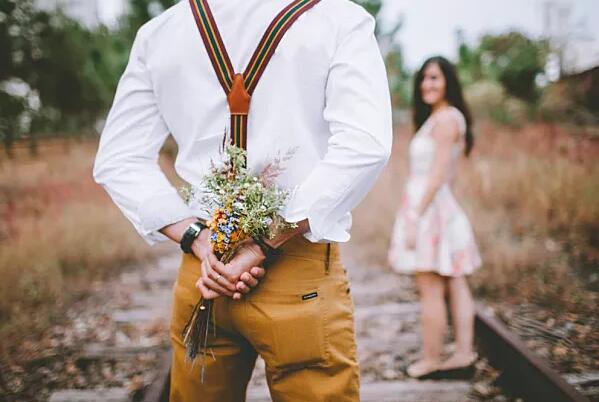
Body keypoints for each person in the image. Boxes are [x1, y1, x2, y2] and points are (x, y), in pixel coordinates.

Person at [93, 0, 392, 400]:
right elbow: (365, 146)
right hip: (297, 268)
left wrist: (197, 238)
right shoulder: (339, 18)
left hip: (205, 272)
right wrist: (262, 243)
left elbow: (119, 158)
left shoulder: (161, 32)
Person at [387, 56, 482, 380]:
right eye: (424, 79)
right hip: (438, 207)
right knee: (455, 282)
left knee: (430, 287)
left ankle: (431, 360)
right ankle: (463, 354)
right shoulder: (444, 117)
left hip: (429, 210)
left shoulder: (444, 120)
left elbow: (439, 174)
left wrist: (414, 215)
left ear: (448, 82)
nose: (427, 85)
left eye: (434, 78)